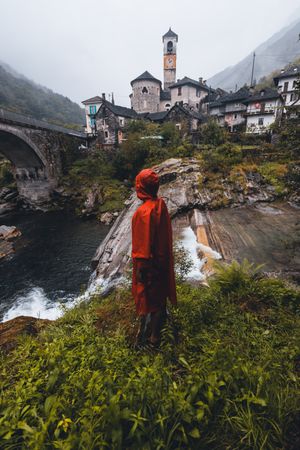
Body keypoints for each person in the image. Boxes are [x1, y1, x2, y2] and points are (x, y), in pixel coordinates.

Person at [131, 168, 177, 348]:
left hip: (149, 265)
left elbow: (142, 247)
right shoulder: (160, 204)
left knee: (150, 300)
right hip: (161, 261)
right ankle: (156, 330)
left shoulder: (143, 213)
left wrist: (141, 271)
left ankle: (153, 339)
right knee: (159, 297)